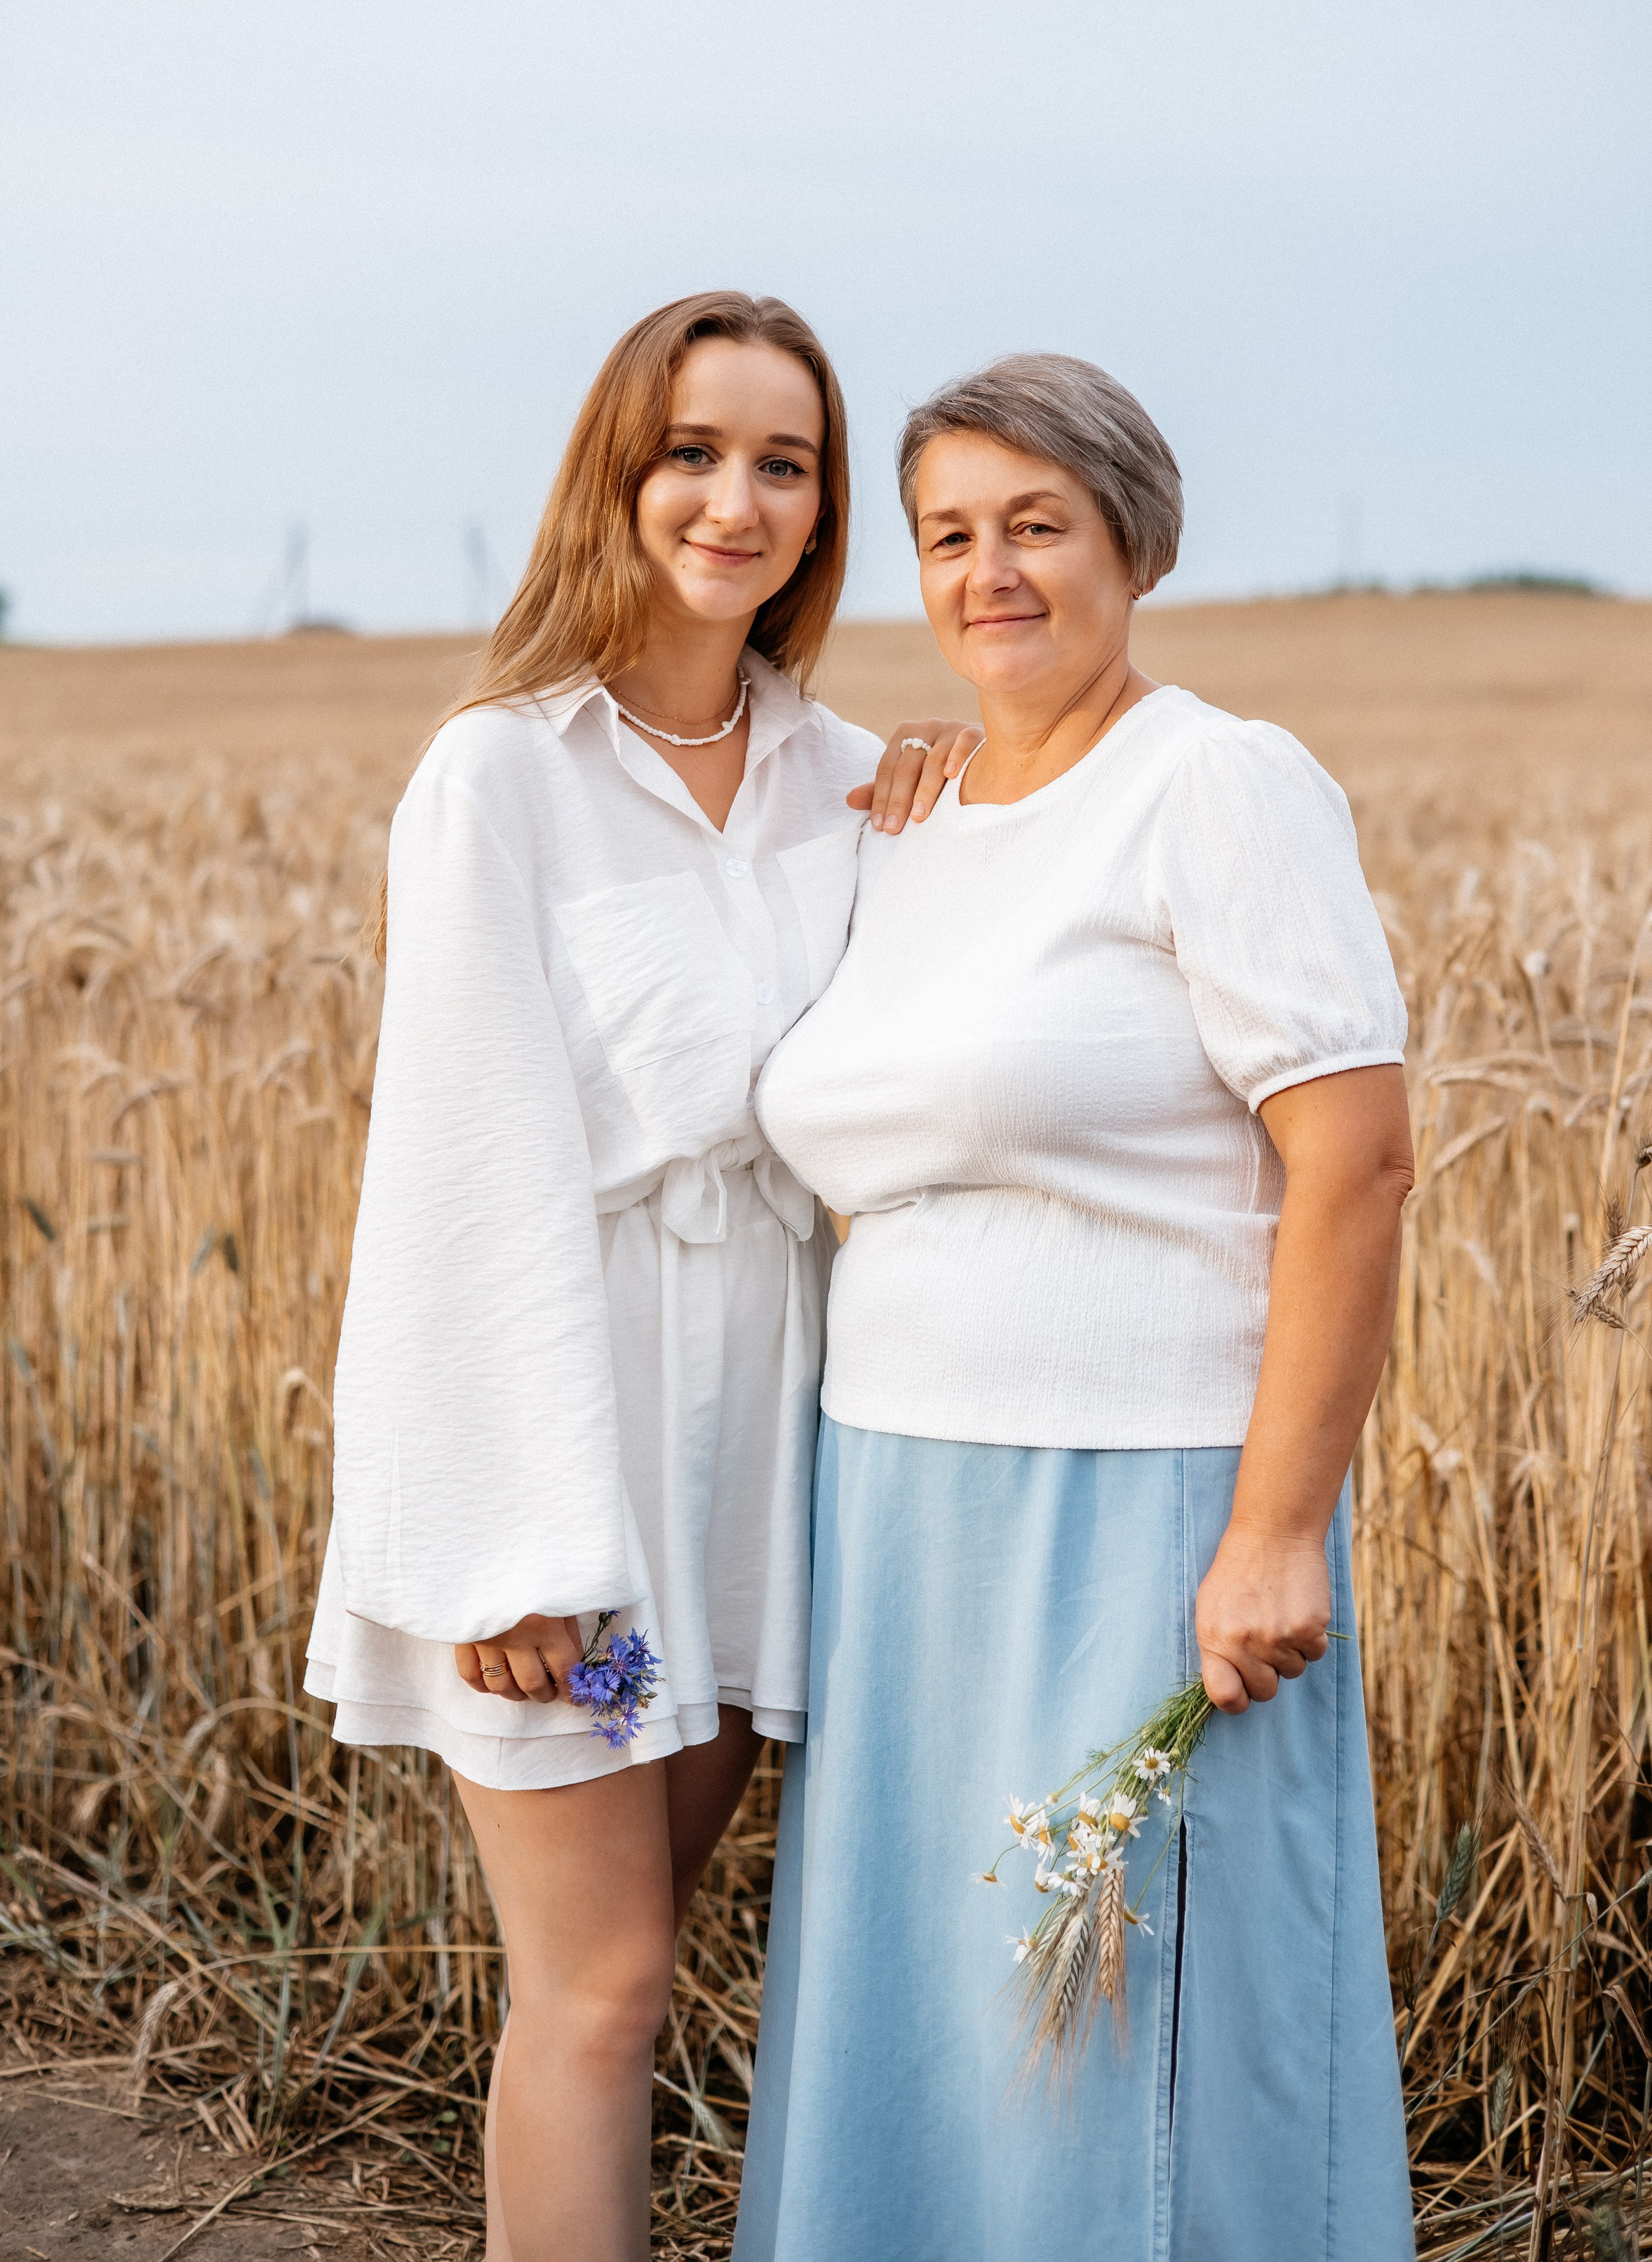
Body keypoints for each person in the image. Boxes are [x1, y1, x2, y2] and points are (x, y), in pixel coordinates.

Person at [304, 290, 977, 2262]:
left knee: (648, 1961)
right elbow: (456, 1164)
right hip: (564, 1462)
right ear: (620, 468)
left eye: (786, 462)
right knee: (597, 1997)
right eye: (694, 449)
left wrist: (971, 801)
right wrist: (517, 1542)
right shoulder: (500, 777)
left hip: (765, 1459)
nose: (737, 498)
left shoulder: (851, 775)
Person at [739, 353, 1418, 2261]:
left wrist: (1277, 1530)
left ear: (1136, 536)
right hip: (891, 1496)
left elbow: (1354, 1168)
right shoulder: (906, 817)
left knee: (1126, 2007)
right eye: (951, 535)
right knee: (935, 1992)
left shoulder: (1218, 780)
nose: (990, 573)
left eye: (1036, 524)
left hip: (1142, 1499)